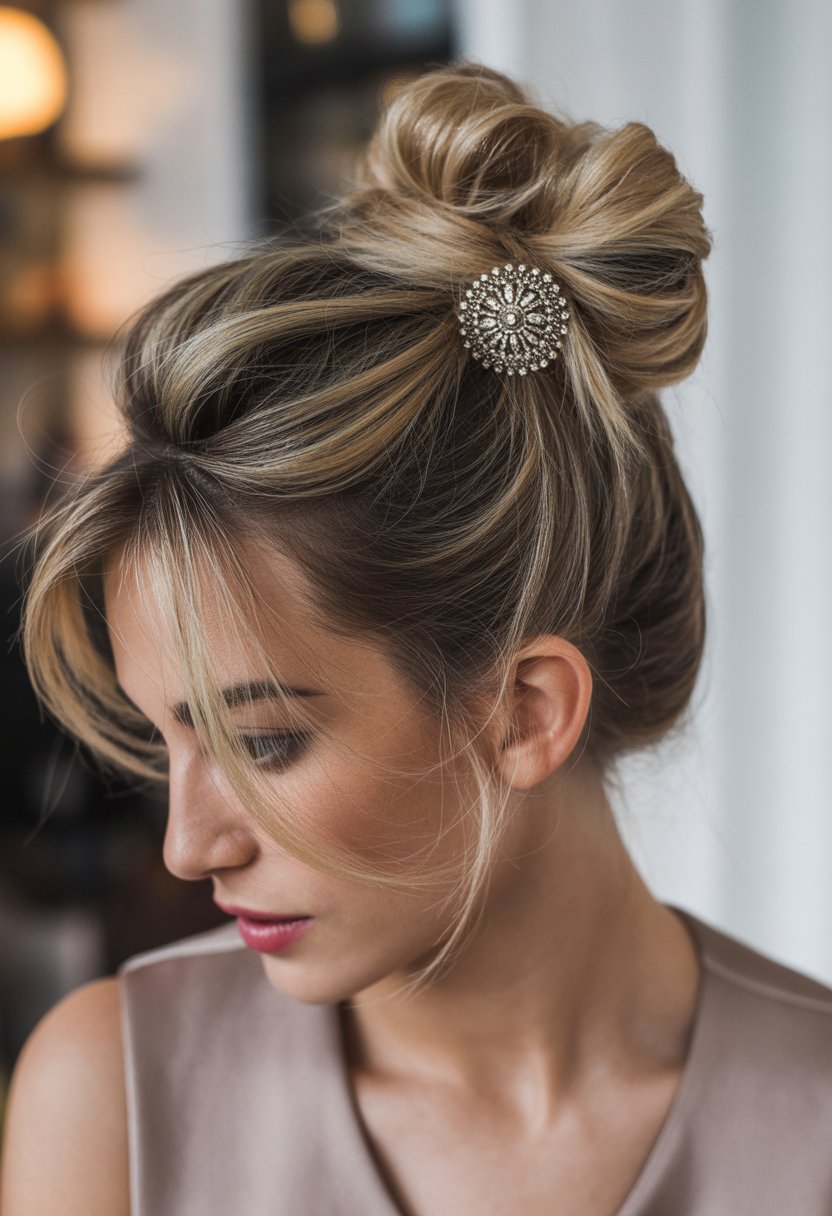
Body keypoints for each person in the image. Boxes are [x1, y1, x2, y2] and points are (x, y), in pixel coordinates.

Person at [2, 59, 831, 1216]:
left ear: (524, 711)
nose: (188, 848)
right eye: (167, 739)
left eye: (263, 742)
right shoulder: (115, 1099)